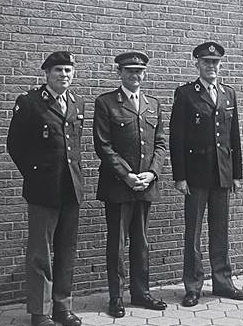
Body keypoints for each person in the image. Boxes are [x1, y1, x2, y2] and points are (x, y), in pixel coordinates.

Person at [169, 42, 243, 307]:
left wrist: (236, 173)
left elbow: (233, 137)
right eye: (206, 62)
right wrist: (180, 176)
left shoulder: (228, 94)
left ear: (220, 65)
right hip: (195, 175)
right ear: (197, 65)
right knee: (192, 232)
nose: (211, 66)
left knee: (220, 231)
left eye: (215, 63)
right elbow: (176, 138)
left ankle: (223, 283)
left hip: (222, 174)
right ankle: (193, 286)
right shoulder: (185, 94)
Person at [7, 51, 84, 326]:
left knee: (67, 249)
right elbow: (15, 145)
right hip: (43, 190)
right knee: (40, 253)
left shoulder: (77, 103)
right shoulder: (29, 103)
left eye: (68, 70)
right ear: (47, 74)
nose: (65, 75)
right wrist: (35, 175)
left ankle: (62, 307)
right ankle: (40, 313)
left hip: (71, 188)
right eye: (59, 70)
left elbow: (73, 146)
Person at [93, 51, 167, 318]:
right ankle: (116, 297)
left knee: (142, 241)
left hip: (145, 184)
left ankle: (141, 292)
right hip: (118, 185)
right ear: (119, 73)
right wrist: (126, 175)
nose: (136, 76)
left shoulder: (153, 104)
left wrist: (151, 174)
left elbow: (159, 144)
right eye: (130, 71)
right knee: (117, 242)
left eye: (140, 71)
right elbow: (103, 145)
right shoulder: (106, 103)